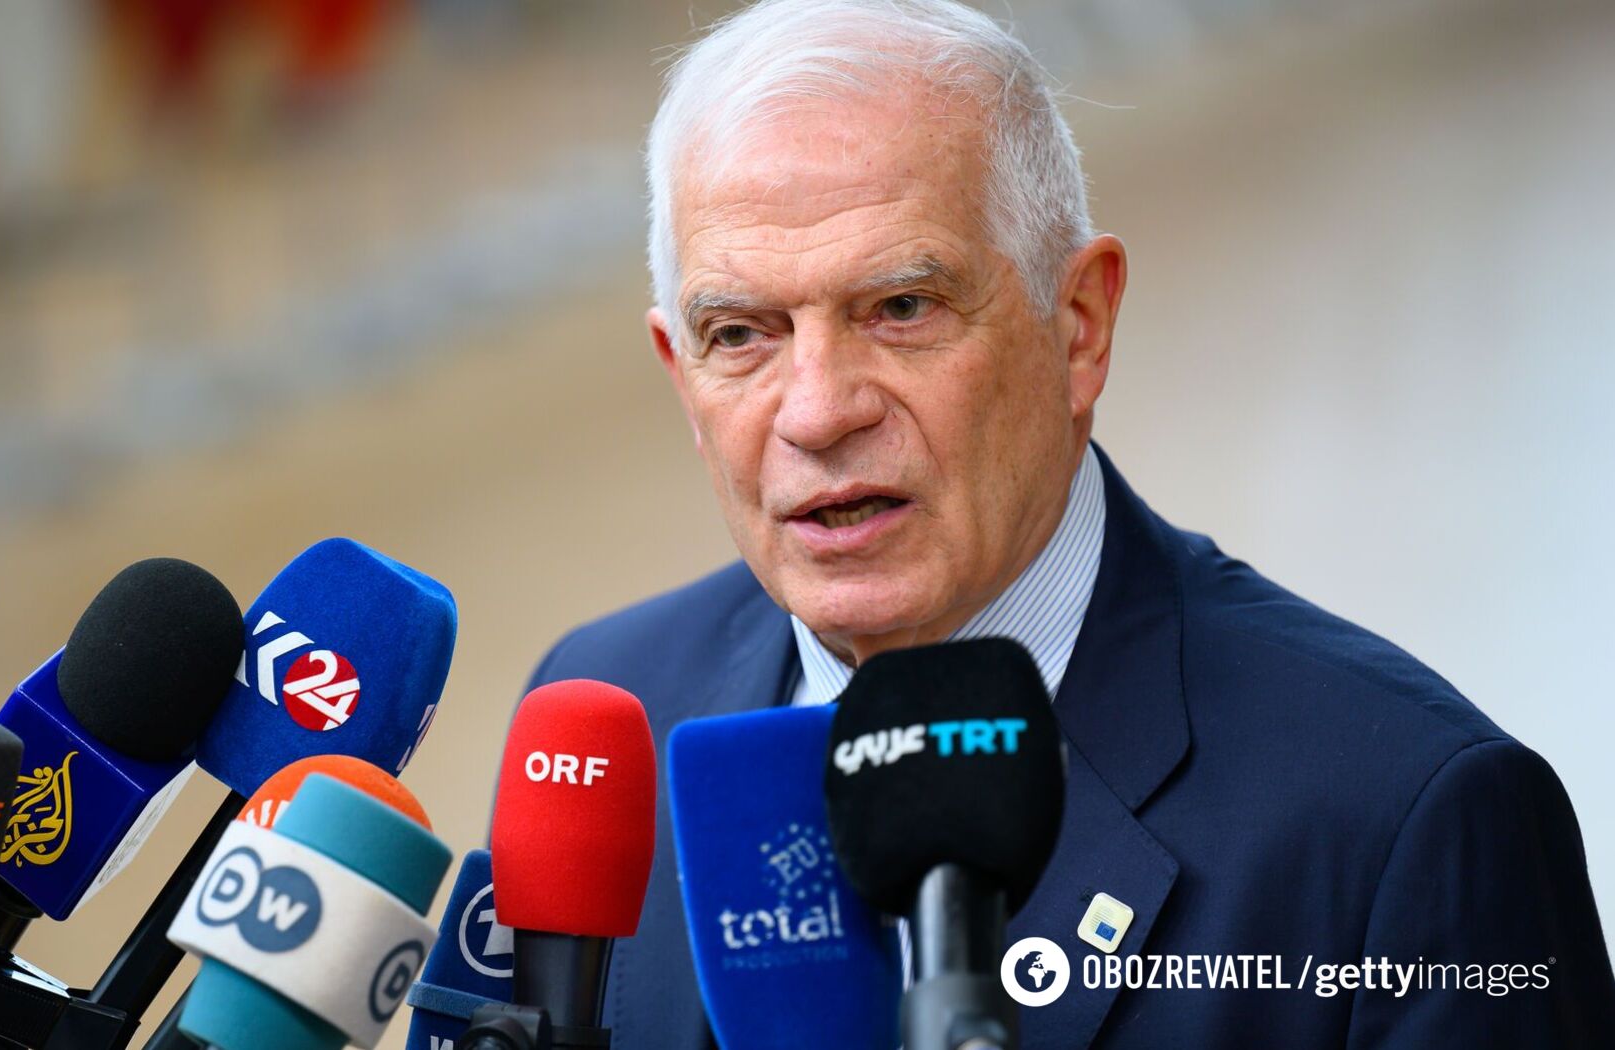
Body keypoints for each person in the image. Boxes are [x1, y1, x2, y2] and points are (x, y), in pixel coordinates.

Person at [518, 1, 1615, 1046]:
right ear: (680, 374)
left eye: (901, 308)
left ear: (1079, 326)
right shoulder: (601, 720)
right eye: (741, 334)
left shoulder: (1407, 821)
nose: (817, 411)